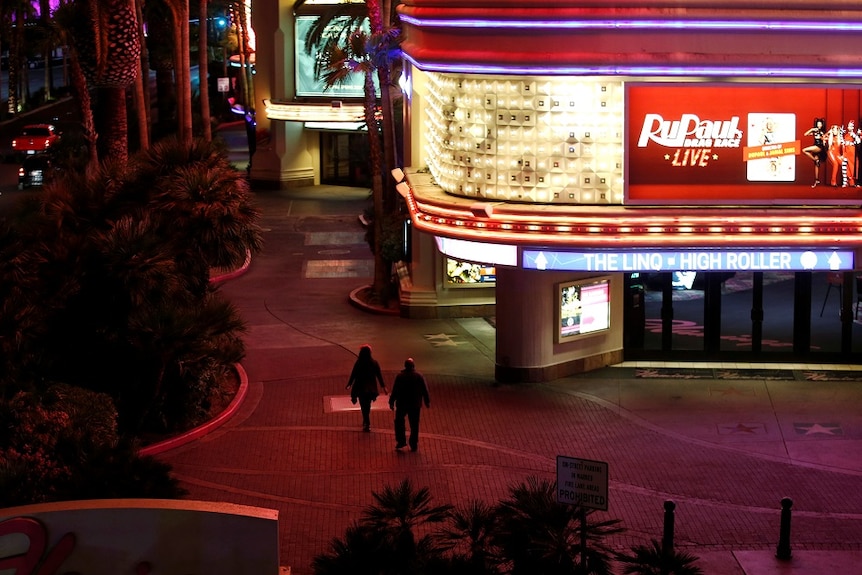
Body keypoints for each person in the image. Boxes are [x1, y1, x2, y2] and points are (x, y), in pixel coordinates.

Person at [389, 358, 430, 452]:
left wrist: (391, 401)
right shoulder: (419, 376)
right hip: (415, 404)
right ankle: (413, 443)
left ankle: (401, 441)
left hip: (402, 403)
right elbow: (424, 389)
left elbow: (395, 390)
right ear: (413, 366)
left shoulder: (400, 376)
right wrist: (427, 401)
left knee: (399, 422)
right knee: (414, 424)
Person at [345, 345, 387, 432]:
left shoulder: (359, 363)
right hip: (370, 389)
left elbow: (354, 374)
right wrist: (383, 387)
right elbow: (379, 376)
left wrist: (349, 384)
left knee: (363, 405)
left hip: (360, 388)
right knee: (367, 405)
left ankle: (366, 421)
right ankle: (366, 421)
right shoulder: (374, 363)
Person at [802, 118, 826, 187]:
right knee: (816, 165)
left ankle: (815, 159)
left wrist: (822, 136)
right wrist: (812, 130)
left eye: (820, 124)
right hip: (815, 146)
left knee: (804, 150)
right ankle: (816, 180)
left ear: (822, 125)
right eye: (818, 124)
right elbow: (805, 134)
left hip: (819, 147)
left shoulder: (822, 132)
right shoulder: (815, 131)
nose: (819, 125)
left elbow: (823, 138)